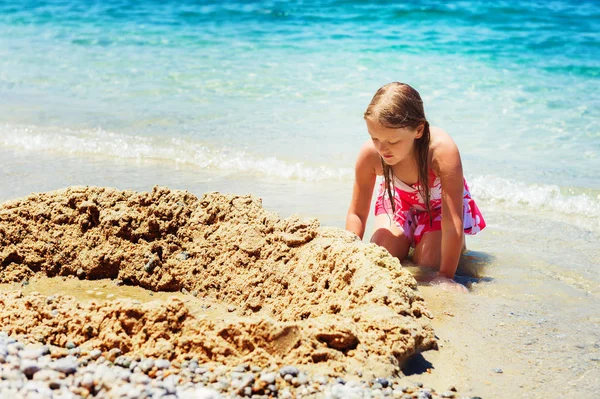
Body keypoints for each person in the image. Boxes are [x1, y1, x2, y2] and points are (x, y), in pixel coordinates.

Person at [346, 82, 486, 292]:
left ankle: (438, 248)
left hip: (439, 209)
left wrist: (445, 276)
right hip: (399, 201)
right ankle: (408, 241)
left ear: (418, 130)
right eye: (374, 138)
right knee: (380, 253)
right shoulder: (371, 154)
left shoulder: (441, 152)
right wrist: (348, 254)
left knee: (428, 261)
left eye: (393, 141)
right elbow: (357, 213)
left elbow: (452, 221)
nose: (382, 149)